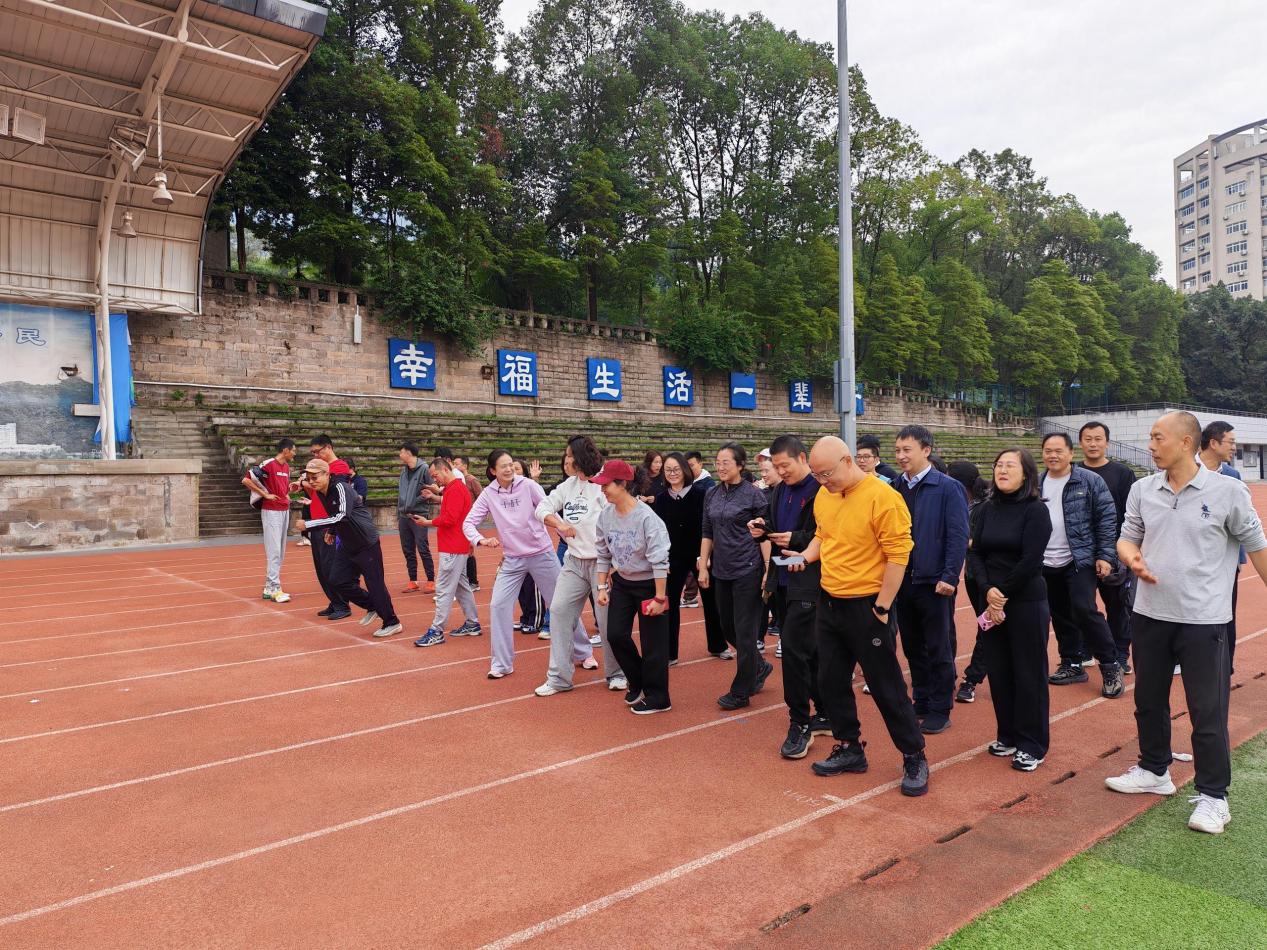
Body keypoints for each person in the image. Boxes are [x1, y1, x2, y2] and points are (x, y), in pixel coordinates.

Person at [1107, 411, 1267, 835]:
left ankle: (1214, 796)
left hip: (1204, 620)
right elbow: (1127, 536)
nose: (1151, 445)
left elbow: (1257, 547)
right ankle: (1154, 769)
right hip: (1149, 614)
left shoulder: (1229, 492)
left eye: (1158, 437)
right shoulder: (1143, 489)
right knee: (1148, 701)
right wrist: (1131, 556)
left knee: (1207, 709)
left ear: (1185, 442)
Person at [781, 436, 929, 796]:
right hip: (830, 602)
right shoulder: (825, 495)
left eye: (826, 474)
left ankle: (914, 754)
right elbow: (823, 535)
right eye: (816, 475)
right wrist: (805, 556)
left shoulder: (884, 498)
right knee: (830, 680)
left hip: (868, 605)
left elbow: (898, 556)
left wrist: (882, 606)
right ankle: (849, 747)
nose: (822, 481)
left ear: (848, 461)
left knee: (885, 684)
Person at [967, 448, 1054, 772]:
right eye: (999, 465)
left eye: (1010, 466)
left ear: (1026, 474)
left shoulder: (1036, 511)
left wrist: (1001, 594)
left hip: (1025, 601)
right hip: (990, 600)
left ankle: (1032, 744)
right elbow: (976, 553)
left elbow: (1031, 559)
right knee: (1000, 670)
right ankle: (1008, 735)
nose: (1002, 470)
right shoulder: (986, 509)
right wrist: (987, 590)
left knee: (1029, 673)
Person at [751, 434, 831, 759]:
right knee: (808, 650)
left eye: (785, 465)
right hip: (782, 580)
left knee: (795, 652)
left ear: (802, 459)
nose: (781, 471)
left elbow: (827, 534)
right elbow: (776, 524)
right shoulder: (780, 490)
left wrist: (796, 538)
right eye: (776, 466)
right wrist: (762, 527)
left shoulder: (822, 490)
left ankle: (799, 722)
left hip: (810, 580)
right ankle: (825, 711)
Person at [534, 435, 627, 697]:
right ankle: (559, 678)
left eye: (569, 455)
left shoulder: (603, 484)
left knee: (607, 621)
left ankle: (616, 673)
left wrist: (614, 564)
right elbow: (542, 508)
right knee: (560, 610)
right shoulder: (568, 486)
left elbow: (619, 520)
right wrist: (559, 524)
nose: (565, 460)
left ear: (581, 457)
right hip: (574, 562)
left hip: (602, 563)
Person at [892, 425, 969, 734]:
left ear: (926, 450)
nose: (901, 456)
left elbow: (958, 534)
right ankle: (921, 699)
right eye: (897, 450)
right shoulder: (895, 487)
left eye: (907, 450)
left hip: (935, 581)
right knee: (912, 646)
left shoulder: (948, 487)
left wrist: (950, 576)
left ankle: (940, 707)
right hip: (902, 580)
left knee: (938, 647)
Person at [463, 449, 562, 679]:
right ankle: (501, 664)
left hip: (541, 554)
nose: (509, 469)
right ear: (493, 471)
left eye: (511, 465)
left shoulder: (528, 485)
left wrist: (564, 529)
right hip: (512, 559)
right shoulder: (489, 494)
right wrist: (481, 539)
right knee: (498, 606)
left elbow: (548, 510)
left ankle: (582, 651)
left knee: (560, 605)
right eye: (503, 466)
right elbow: (468, 523)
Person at [1040, 432, 1125, 699]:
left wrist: (1105, 556)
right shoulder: (1036, 482)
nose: (1053, 455)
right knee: (1059, 613)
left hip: (1079, 559)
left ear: (1070, 453)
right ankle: (1072, 663)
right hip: (1045, 561)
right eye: (1048, 451)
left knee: (1084, 609)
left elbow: (1107, 519)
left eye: (1058, 451)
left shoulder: (1089, 480)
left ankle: (1110, 664)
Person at [593, 459, 673, 714]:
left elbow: (659, 560)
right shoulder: (605, 516)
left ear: (623, 484)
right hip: (623, 584)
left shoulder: (647, 518)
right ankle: (638, 681)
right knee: (615, 635)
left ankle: (659, 697)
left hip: (649, 585)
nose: (602, 490)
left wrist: (659, 598)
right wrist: (601, 587)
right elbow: (603, 553)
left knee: (653, 645)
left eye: (606, 485)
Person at [700, 442, 773, 710]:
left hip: (747, 568)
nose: (720, 467)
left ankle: (741, 691)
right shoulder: (711, 493)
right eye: (717, 462)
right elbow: (707, 531)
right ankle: (759, 666)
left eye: (726, 462)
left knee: (744, 632)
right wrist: (703, 565)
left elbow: (764, 534)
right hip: (721, 570)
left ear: (740, 465)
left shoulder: (754, 496)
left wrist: (767, 568)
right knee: (727, 626)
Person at [295, 458, 403, 639]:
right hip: (348, 543)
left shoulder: (341, 487)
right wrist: (332, 531)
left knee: (375, 585)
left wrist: (309, 524)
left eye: (315, 477)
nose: (312, 481)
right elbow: (334, 515)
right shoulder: (321, 492)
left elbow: (343, 515)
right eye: (309, 478)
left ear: (327, 474)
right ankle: (373, 606)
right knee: (337, 579)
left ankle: (392, 622)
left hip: (366, 543)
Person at [653, 452, 725, 662]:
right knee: (670, 603)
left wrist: (705, 556)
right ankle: (670, 653)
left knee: (711, 601)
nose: (672, 474)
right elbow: (658, 532)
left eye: (676, 469)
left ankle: (718, 645)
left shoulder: (701, 494)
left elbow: (708, 527)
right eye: (668, 470)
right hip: (672, 557)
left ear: (685, 470)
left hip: (699, 554)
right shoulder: (661, 499)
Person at [1077, 421, 1137, 671]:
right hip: (1079, 551)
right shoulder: (1073, 472)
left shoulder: (1122, 474)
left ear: (1107, 443)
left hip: (1113, 550)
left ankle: (1120, 654)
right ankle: (1085, 650)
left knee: (1117, 605)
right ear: (1080, 443)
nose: (1093, 444)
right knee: (1082, 605)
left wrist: (1123, 548)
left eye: (1098, 439)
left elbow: (1131, 514)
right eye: (1088, 439)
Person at [411, 457, 482, 646]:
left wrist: (427, 522)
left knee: (443, 588)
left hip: (453, 547)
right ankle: (472, 622)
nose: (435, 480)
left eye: (435, 475)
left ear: (445, 470)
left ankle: (437, 630)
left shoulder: (456, 489)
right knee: (461, 586)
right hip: (455, 545)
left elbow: (450, 519)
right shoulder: (454, 488)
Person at [1199, 421, 1246, 673]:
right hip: (1194, 557)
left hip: (1224, 560)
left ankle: (1225, 663)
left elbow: (1242, 520)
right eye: (1231, 442)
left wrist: (1238, 559)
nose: (1235, 448)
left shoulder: (1232, 475)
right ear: (1214, 443)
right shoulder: (1187, 469)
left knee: (1226, 612)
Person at [947, 461, 990, 704]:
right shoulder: (961, 503)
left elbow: (983, 539)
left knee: (987, 627)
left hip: (991, 578)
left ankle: (972, 679)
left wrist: (963, 540)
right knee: (986, 624)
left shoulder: (986, 506)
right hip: (972, 576)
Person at [301, 434, 354, 620]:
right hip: (318, 522)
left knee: (331, 565)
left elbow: (331, 489)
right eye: (313, 453)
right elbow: (317, 492)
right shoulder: (321, 470)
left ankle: (342, 604)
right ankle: (334, 600)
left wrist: (304, 482)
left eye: (318, 451)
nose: (316, 455)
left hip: (329, 523)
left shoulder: (339, 467)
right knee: (322, 566)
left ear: (328, 448)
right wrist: (304, 484)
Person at [242, 437, 295, 603]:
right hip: (271, 511)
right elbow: (246, 479)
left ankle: (268, 587)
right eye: (293, 450)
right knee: (274, 551)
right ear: (285, 450)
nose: (294, 453)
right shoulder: (269, 464)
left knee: (281, 551)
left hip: (284, 509)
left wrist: (290, 494)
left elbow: (283, 490)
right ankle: (274, 588)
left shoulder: (286, 467)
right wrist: (265, 494)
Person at [396, 442, 436, 595]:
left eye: (401, 451)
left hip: (419, 514)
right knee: (407, 549)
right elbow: (401, 493)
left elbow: (432, 490)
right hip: (404, 516)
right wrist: (400, 511)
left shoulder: (424, 469)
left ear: (408, 453)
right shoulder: (404, 471)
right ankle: (413, 581)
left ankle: (431, 580)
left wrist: (416, 501)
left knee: (422, 547)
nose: (400, 454)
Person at [453, 455, 483, 591]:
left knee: (469, 549)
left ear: (465, 466)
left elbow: (481, 497)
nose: (454, 466)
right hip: (460, 518)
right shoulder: (457, 480)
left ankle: (473, 582)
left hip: (470, 519)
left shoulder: (471, 480)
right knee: (462, 549)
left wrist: (474, 512)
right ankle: (464, 580)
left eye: (456, 463)